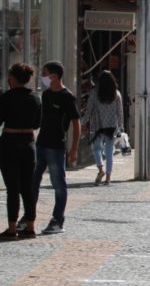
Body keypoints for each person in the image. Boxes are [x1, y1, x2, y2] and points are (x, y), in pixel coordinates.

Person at [30, 61, 80, 235]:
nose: (43, 77)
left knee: (58, 184)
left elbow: (76, 121)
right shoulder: (46, 95)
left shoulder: (67, 97)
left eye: (45, 73)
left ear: (55, 76)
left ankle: (58, 220)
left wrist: (74, 149)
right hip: (41, 144)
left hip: (56, 146)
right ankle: (29, 217)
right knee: (32, 182)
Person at [0, 63, 41, 239]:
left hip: (9, 142)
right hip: (29, 143)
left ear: (13, 79)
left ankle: (11, 227)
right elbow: (37, 124)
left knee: (12, 188)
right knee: (27, 187)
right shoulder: (35, 98)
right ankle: (30, 226)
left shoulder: (6, 98)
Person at [85, 71, 124, 186]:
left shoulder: (94, 93)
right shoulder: (116, 94)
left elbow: (88, 111)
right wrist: (121, 126)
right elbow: (120, 112)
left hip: (98, 126)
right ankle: (108, 178)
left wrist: (81, 121)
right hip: (112, 127)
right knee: (109, 152)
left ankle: (101, 169)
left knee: (96, 148)